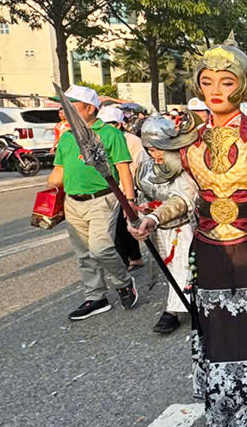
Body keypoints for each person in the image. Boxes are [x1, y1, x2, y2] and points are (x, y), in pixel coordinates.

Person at [130, 34, 247, 427]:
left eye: (226, 82)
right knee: (219, 332)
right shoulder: (191, 141)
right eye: (208, 82)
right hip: (208, 248)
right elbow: (187, 195)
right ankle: (226, 408)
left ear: (242, 85)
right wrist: (153, 219)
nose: (216, 90)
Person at [46, 85, 138, 321]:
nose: (64, 111)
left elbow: (123, 170)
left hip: (103, 198)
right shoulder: (66, 137)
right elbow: (58, 173)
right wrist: (48, 193)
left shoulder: (110, 134)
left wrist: (129, 202)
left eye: (70, 105)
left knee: (100, 248)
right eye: (63, 106)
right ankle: (96, 296)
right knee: (83, 253)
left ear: (89, 108)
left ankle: (123, 282)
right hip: (72, 201)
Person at [135, 114, 199, 334]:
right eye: (151, 149)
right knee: (172, 267)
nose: (156, 154)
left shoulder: (183, 167)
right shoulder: (144, 169)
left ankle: (173, 310)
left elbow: (184, 199)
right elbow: (143, 194)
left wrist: (156, 215)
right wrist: (142, 211)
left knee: (185, 266)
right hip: (159, 229)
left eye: (160, 148)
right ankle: (190, 303)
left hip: (185, 226)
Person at [100, 105, 145, 272]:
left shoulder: (131, 140)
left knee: (125, 226)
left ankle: (131, 260)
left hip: (127, 188)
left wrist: (131, 191)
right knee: (117, 228)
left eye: (109, 124)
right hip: (110, 189)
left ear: (118, 124)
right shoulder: (100, 138)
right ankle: (130, 259)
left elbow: (140, 164)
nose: (105, 127)